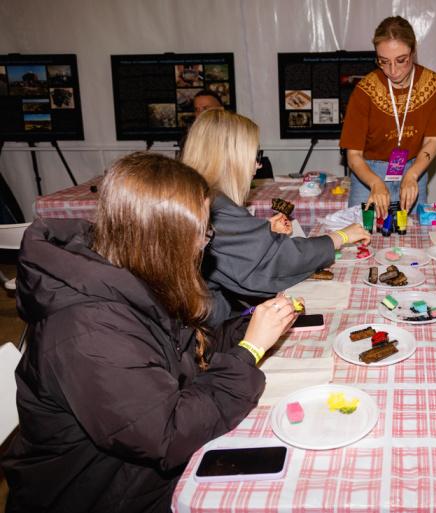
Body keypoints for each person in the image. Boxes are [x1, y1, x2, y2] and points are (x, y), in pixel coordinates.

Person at [1, 153, 298, 512]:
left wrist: (249, 326)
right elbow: (169, 435)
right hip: (100, 495)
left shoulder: (132, 276)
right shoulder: (89, 331)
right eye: (201, 231)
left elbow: (186, 352)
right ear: (164, 240)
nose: (205, 242)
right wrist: (250, 350)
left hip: (135, 476)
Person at [181, 109, 370, 325]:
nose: (258, 165)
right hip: (212, 326)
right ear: (231, 159)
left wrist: (263, 231)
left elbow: (236, 251)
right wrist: (339, 237)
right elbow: (276, 263)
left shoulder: (197, 197)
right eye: (255, 156)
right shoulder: (217, 207)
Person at [340, 15, 436, 218]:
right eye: (383, 61)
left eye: (401, 60)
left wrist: (413, 174)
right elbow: (353, 155)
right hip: (369, 174)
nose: (393, 70)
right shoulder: (364, 91)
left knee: (413, 232)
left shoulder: (435, 86)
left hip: (415, 169)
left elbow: (432, 141)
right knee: (361, 232)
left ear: (413, 51)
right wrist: (375, 183)